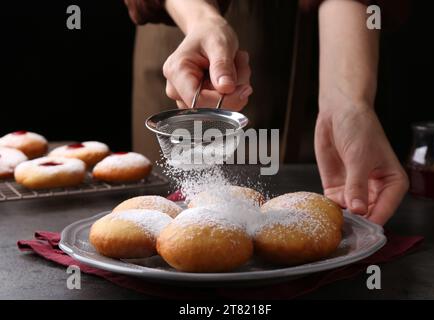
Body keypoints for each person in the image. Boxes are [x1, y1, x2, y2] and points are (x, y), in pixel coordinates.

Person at [124, 0, 409, 225]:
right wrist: (202, 19)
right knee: (169, 222)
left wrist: (347, 101)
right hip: (182, 38)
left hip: (328, 47)